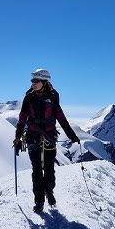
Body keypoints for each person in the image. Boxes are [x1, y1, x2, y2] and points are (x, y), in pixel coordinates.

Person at [13, 69, 80, 213]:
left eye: (36, 81)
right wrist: (17, 137)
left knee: (49, 168)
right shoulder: (28, 98)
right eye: (32, 81)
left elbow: (61, 117)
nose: (33, 83)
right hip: (33, 136)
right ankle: (39, 200)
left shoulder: (53, 97)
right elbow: (22, 118)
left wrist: (72, 135)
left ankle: (49, 191)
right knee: (37, 170)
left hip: (49, 136)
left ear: (44, 82)